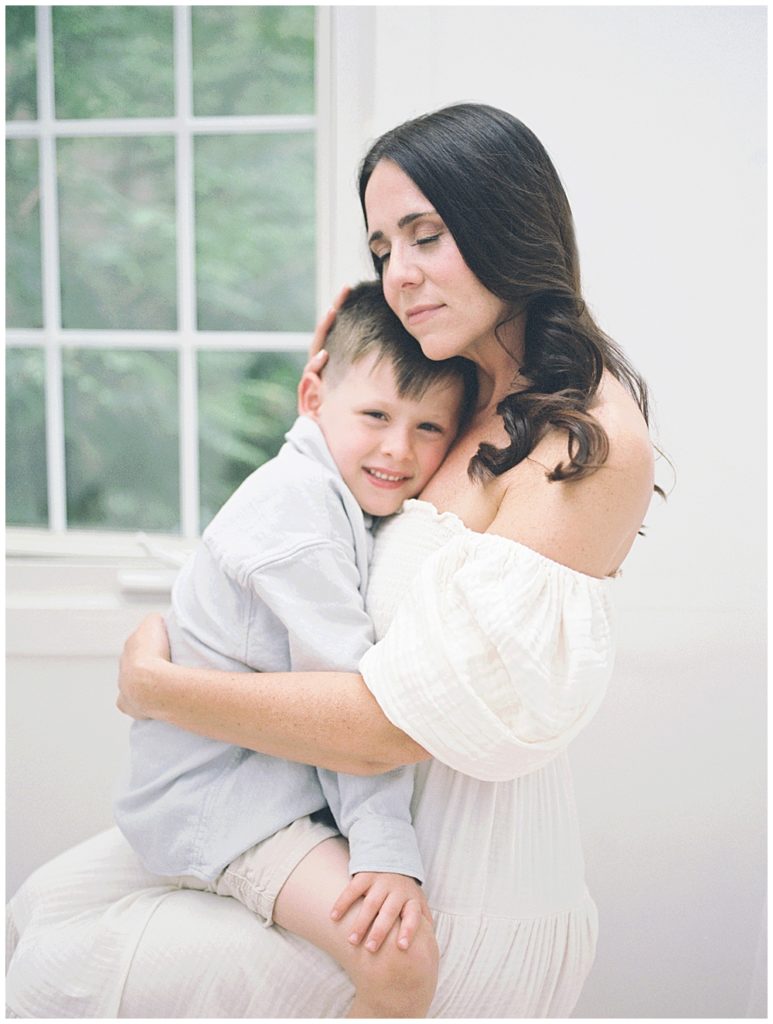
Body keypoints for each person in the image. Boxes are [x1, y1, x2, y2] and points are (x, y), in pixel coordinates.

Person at [6, 103, 657, 1019]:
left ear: (508, 221)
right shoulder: (457, 388)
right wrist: (331, 398)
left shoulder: (582, 439)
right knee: (41, 904)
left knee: (55, 975)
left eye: (425, 235)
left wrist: (158, 688)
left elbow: (391, 724)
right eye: (383, 248)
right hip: (334, 813)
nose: (399, 274)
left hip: (446, 884)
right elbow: (321, 529)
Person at [113, 281, 476, 1019]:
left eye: (429, 427)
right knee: (400, 960)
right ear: (313, 395)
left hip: (263, 784)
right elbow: (347, 702)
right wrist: (385, 856)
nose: (397, 448)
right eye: (375, 415)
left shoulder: (330, 488)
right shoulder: (299, 507)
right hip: (222, 803)